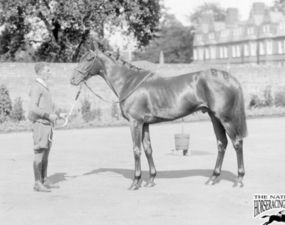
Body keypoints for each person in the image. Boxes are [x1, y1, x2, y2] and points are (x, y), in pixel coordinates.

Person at [28, 62, 62, 192]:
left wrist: (57, 114)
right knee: (39, 153)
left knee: (46, 154)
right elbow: (33, 108)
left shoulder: (44, 87)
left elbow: (45, 106)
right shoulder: (37, 87)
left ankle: (44, 180)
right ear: (41, 72)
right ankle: (37, 183)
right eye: (48, 71)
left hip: (48, 125)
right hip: (40, 125)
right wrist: (48, 115)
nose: (50, 73)